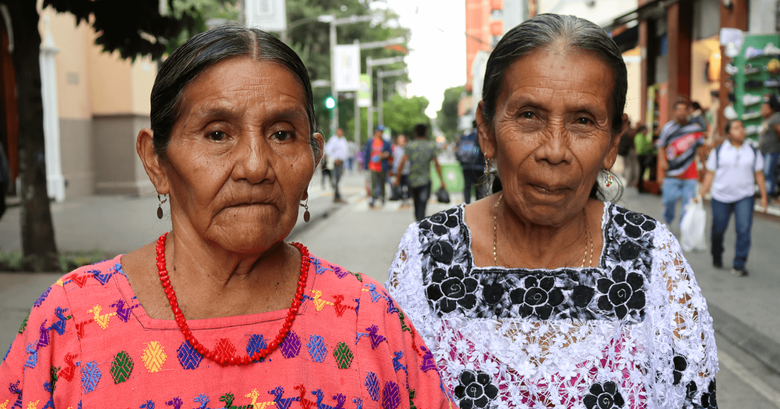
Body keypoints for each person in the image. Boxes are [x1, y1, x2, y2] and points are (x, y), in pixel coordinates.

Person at [0, 25, 453, 409]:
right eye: (217, 134)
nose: (256, 165)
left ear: (313, 156)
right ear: (155, 161)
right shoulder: (71, 323)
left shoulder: (368, 322)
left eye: (282, 133)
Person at [386, 14, 717, 409]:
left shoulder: (650, 255)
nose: (555, 150)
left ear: (613, 142)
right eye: (529, 116)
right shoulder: (430, 252)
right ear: (486, 131)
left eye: (582, 121)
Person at [698, 120, 768, 276]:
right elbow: (710, 174)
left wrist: (764, 196)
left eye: (742, 127)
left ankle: (739, 264)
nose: (741, 130)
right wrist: (701, 194)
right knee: (718, 230)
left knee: (743, 229)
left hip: (745, 196)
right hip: (720, 197)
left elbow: (759, 174)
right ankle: (717, 254)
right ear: (728, 134)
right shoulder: (719, 151)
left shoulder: (752, 151)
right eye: (736, 128)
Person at [658, 100, 706, 226]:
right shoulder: (667, 128)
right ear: (674, 111)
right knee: (669, 200)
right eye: (678, 110)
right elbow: (660, 146)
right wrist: (662, 161)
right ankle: (668, 220)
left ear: (689, 111)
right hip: (672, 173)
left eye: (684, 110)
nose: (681, 113)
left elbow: (701, 147)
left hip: (690, 174)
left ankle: (684, 227)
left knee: (688, 205)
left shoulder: (695, 128)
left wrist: (704, 166)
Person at [393, 124, 446, 221]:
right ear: (426, 133)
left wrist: (397, 178)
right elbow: (436, 164)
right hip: (425, 181)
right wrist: (442, 180)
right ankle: (420, 222)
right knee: (423, 204)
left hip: (412, 181)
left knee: (416, 203)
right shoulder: (430, 145)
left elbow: (402, 163)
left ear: (415, 133)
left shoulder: (410, 146)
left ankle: (418, 221)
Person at [456, 120, 486, 204]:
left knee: (467, 187)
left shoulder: (465, 136)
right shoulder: (482, 137)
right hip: (479, 167)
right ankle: (478, 207)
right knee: (479, 188)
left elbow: (458, 151)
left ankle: (467, 207)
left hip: (466, 166)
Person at [363, 125, 392, 207]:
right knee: (374, 183)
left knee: (382, 183)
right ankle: (373, 198)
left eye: (382, 132)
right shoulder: (370, 142)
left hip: (382, 166)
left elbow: (389, 153)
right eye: (379, 131)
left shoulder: (386, 142)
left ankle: (382, 197)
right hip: (373, 166)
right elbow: (367, 154)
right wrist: (365, 166)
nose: (380, 133)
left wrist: (382, 156)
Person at [759, 94, 780, 199]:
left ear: (771, 109)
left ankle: (771, 192)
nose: (762, 110)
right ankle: (769, 190)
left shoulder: (775, 118)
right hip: (764, 151)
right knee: (766, 171)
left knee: (768, 171)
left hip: (772, 151)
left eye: (765, 108)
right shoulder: (766, 120)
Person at [324, 127, 349, 203]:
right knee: (334, 179)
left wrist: (342, 159)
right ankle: (336, 195)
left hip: (341, 162)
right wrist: (335, 158)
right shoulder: (333, 140)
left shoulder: (343, 140)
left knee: (338, 178)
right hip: (335, 162)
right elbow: (328, 150)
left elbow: (345, 151)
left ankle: (337, 195)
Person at [634, 123, 655, 193]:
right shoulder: (640, 137)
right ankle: (640, 188)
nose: (647, 132)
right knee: (641, 172)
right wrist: (650, 147)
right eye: (646, 130)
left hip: (643, 156)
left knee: (642, 172)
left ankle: (641, 187)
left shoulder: (641, 136)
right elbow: (641, 148)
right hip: (642, 156)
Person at [391, 134, 411, 203]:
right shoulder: (394, 149)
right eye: (400, 140)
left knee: (406, 185)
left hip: (406, 170)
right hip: (397, 171)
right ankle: (398, 196)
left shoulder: (408, 149)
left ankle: (406, 197)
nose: (401, 141)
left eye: (402, 139)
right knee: (398, 185)